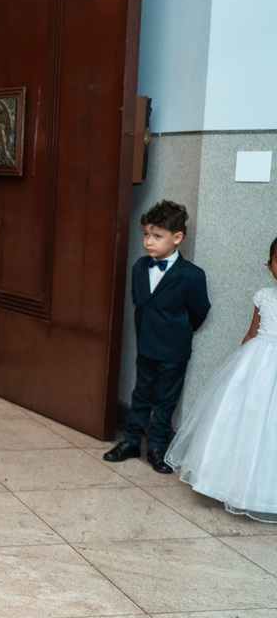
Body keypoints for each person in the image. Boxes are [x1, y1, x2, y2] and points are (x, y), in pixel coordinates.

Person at [165, 236, 277, 522]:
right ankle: (234, 486)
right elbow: (253, 333)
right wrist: (240, 368)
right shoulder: (264, 296)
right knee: (248, 422)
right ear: (269, 265)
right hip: (258, 365)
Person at [104, 200, 211, 473]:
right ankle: (130, 442)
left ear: (177, 238)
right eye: (147, 235)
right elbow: (139, 303)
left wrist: (177, 333)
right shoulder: (140, 268)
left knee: (165, 401)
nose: (149, 242)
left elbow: (198, 312)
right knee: (141, 395)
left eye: (157, 236)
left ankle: (156, 447)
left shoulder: (192, 276)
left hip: (174, 352)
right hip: (146, 347)